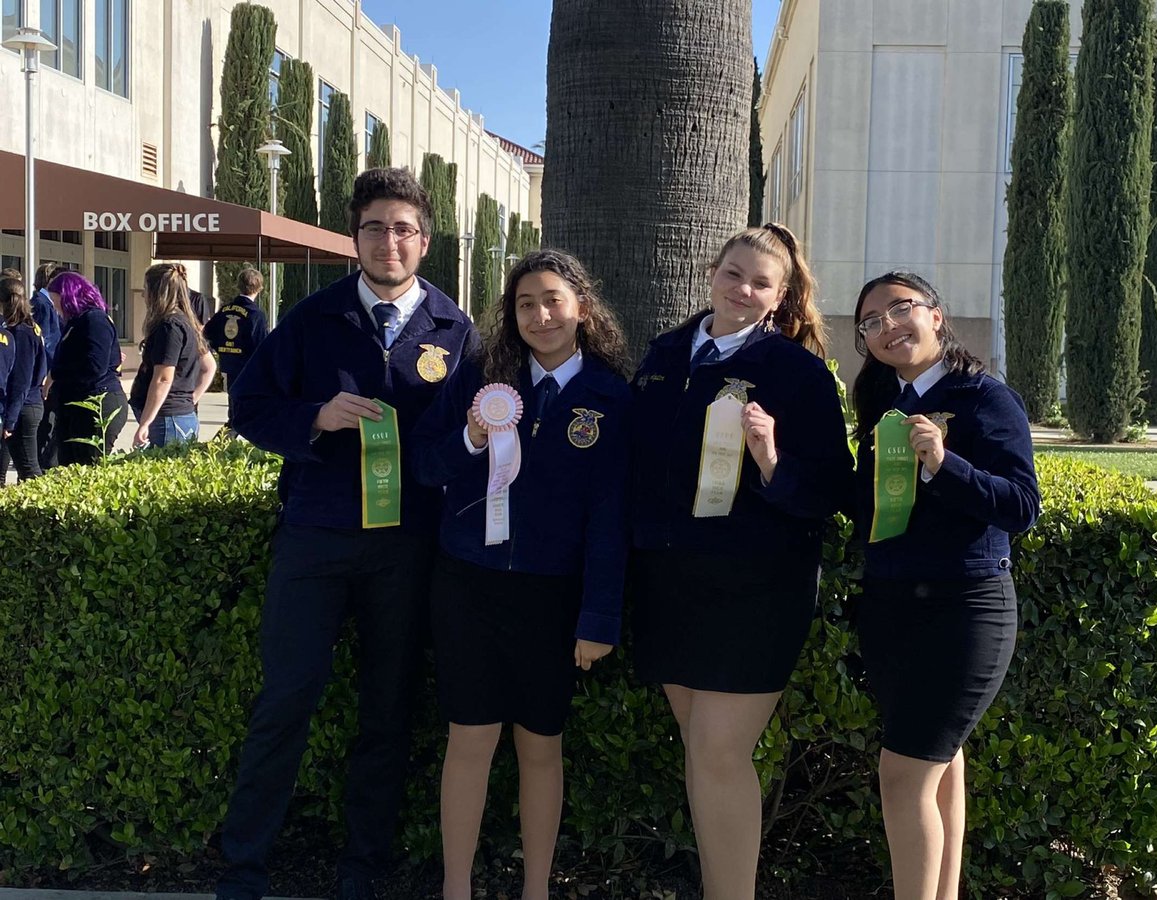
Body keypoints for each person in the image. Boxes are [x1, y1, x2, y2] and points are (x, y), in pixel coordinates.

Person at [215, 166, 479, 900]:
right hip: (316, 538)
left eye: (403, 228)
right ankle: (244, 866)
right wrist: (313, 419)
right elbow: (249, 408)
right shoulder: (311, 318)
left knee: (388, 707)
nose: (388, 241)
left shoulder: (456, 331)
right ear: (353, 237)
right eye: (374, 227)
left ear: (423, 241)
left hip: (408, 546)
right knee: (287, 698)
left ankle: (363, 862)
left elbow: (465, 437)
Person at [628, 223, 854, 900]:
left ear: (781, 296)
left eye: (761, 282)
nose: (743, 290)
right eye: (734, 273)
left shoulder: (797, 372)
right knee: (702, 754)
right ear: (711, 271)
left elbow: (830, 489)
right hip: (671, 585)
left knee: (721, 753)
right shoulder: (666, 354)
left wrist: (772, 461)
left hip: (756, 592)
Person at [411, 249, 631, 900]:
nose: (540, 314)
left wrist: (597, 617)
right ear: (511, 314)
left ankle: (537, 888)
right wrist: (472, 439)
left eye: (553, 300)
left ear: (581, 308)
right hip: (469, 585)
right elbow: (426, 464)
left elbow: (610, 517)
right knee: (469, 739)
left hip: (550, 597)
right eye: (525, 303)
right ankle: (457, 888)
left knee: (541, 746)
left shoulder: (610, 398)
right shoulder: (481, 374)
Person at [849, 272, 1040, 900]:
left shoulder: (986, 398)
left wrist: (945, 464)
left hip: (965, 609)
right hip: (892, 609)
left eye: (900, 308)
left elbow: (1021, 507)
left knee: (903, 775)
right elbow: (865, 506)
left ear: (936, 314)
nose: (887, 326)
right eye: (871, 321)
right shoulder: (880, 399)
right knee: (940, 766)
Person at [43, 271, 128, 466]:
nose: (56, 308)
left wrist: (57, 374)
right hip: (76, 406)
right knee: (67, 464)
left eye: (57, 302)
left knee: (88, 463)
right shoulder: (76, 322)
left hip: (97, 402)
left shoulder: (94, 320)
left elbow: (94, 366)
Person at [130, 263, 217, 448]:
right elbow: (209, 366)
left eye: (146, 289)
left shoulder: (169, 327)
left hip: (168, 419)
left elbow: (163, 378)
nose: (143, 295)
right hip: (177, 415)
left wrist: (145, 422)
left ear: (157, 292)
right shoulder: (186, 322)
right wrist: (189, 400)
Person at [0, 277, 47, 482]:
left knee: (29, 470)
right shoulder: (29, 327)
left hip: (24, 407)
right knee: (25, 468)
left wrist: (9, 421)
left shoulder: (21, 332)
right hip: (28, 403)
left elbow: (21, 380)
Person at [203, 267, 268, 390]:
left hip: (229, 363)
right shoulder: (256, 314)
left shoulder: (225, 310)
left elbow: (208, 332)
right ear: (260, 288)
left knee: (233, 400)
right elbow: (261, 344)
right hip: (248, 367)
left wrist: (221, 348)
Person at [32, 262, 66, 468]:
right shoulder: (42, 304)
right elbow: (43, 340)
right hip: (48, 370)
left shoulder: (47, 302)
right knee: (47, 423)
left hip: (53, 368)